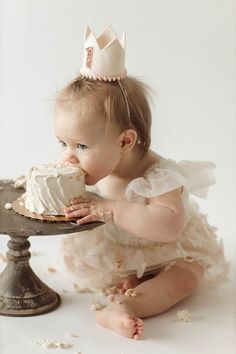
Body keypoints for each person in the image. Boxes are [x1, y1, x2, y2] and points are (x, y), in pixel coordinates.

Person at [54, 26, 229, 340]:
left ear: (125, 141)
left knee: (186, 276)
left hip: (167, 251)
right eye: (62, 143)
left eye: (80, 146)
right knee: (98, 263)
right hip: (117, 250)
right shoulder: (92, 166)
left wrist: (111, 208)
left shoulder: (161, 177)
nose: (69, 157)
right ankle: (132, 283)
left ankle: (126, 306)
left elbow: (169, 227)